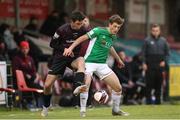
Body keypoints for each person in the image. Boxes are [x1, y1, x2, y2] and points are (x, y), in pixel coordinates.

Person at [63, 14, 129, 117]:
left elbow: (110, 47)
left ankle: (115, 110)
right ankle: (83, 110)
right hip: (89, 62)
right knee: (86, 85)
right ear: (110, 24)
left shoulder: (113, 36)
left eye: (118, 27)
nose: (116, 29)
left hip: (102, 65)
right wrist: (70, 48)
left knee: (118, 88)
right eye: (115, 26)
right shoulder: (98, 30)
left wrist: (118, 59)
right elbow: (82, 38)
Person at [41, 11, 88, 117]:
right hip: (60, 58)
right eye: (78, 24)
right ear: (72, 22)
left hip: (73, 58)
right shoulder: (62, 30)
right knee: (47, 85)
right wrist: (65, 49)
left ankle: (78, 86)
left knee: (81, 62)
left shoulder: (83, 30)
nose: (80, 26)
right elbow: (52, 44)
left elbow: (92, 35)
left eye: (81, 23)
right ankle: (46, 107)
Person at [142, 24, 170, 104]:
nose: (155, 32)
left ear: (159, 31)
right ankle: (148, 103)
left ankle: (158, 103)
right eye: (154, 31)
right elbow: (143, 53)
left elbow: (167, 54)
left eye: (157, 31)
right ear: (151, 31)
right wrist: (144, 63)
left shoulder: (163, 41)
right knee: (149, 86)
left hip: (160, 67)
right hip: (149, 66)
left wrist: (164, 61)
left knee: (159, 86)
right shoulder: (147, 40)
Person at [12, 41, 43, 108]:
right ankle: (29, 102)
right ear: (20, 49)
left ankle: (40, 104)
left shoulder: (30, 59)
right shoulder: (16, 59)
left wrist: (33, 76)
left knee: (40, 88)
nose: (25, 50)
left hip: (30, 81)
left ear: (28, 49)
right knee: (35, 87)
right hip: (20, 82)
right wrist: (26, 75)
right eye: (23, 48)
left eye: (26, 48)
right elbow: (15, 72)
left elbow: (33, 71)